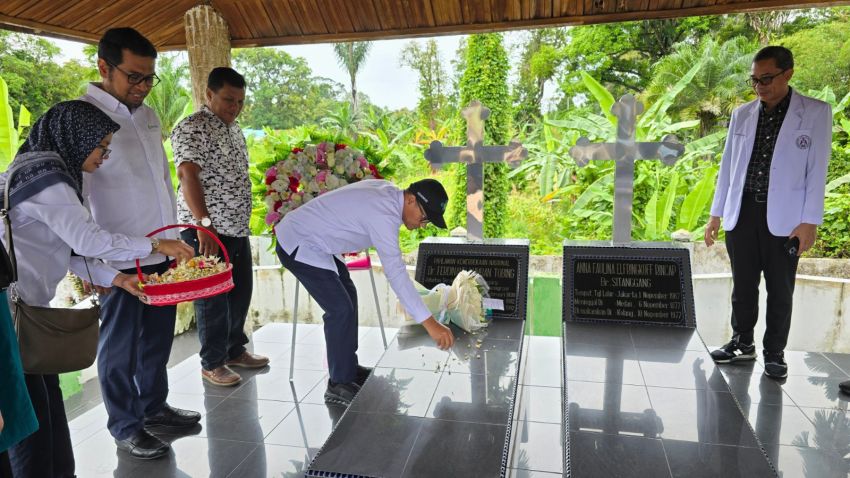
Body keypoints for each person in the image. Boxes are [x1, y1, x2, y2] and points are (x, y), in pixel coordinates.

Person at [0, 101, 194, 477]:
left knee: (47, 414)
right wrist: (155, 245)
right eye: (102, 146)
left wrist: (118, 278)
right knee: (30, 425)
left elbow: (69, 248)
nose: (105, 155)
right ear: (77, 137)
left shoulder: (49, 173)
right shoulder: (46, 177)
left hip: (26, 313)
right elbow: (88, 241)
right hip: (11, 317)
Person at [81, 28, 201, 459]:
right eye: (134, 77)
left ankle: (153, 408)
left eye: (150, 78)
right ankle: (126, 425)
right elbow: (78, 200)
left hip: (162, 251)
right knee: (119, 346)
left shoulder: (148, 115)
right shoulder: (84, 116)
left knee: (155, 339)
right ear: (103, 67)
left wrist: (172, 238)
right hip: (118, 257)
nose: (143, 87)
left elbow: (161, 181)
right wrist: (92, 266)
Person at [705, 46, 831, 379]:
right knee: (743, 286)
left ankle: (774, 352)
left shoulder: (816, 113)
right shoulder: (742, 114)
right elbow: (727, 166)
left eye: (767, 78)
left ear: (788, 74)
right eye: (755, 79)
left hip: (787, 219)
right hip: (742, 212)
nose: (760, 86)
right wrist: (716, 214)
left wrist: (810, 222)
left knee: (780, 289)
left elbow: (818, 171)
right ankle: (742, 343)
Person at [275, 178, 455, 406]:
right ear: (411, 200)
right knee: (340, 309)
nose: (423, 224)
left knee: (348, 296)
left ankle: (347, 368)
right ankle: (338, 384)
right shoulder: (384, 214)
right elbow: (396, 274)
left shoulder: (389, 193)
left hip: (318, 243)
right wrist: (431, 324)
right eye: (425, 217)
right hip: (299, 242)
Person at [172, 66, 268, 387]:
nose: (234, 107)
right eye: (228, 99)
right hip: (207, 229)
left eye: (240, 101)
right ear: (208, 94)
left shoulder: (233, 128)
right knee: (211, 298)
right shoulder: (192, 127)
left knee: (239, 293)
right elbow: (188, 175)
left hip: (235, 228)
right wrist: (204, 224)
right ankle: (212, 363)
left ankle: (233, 350)